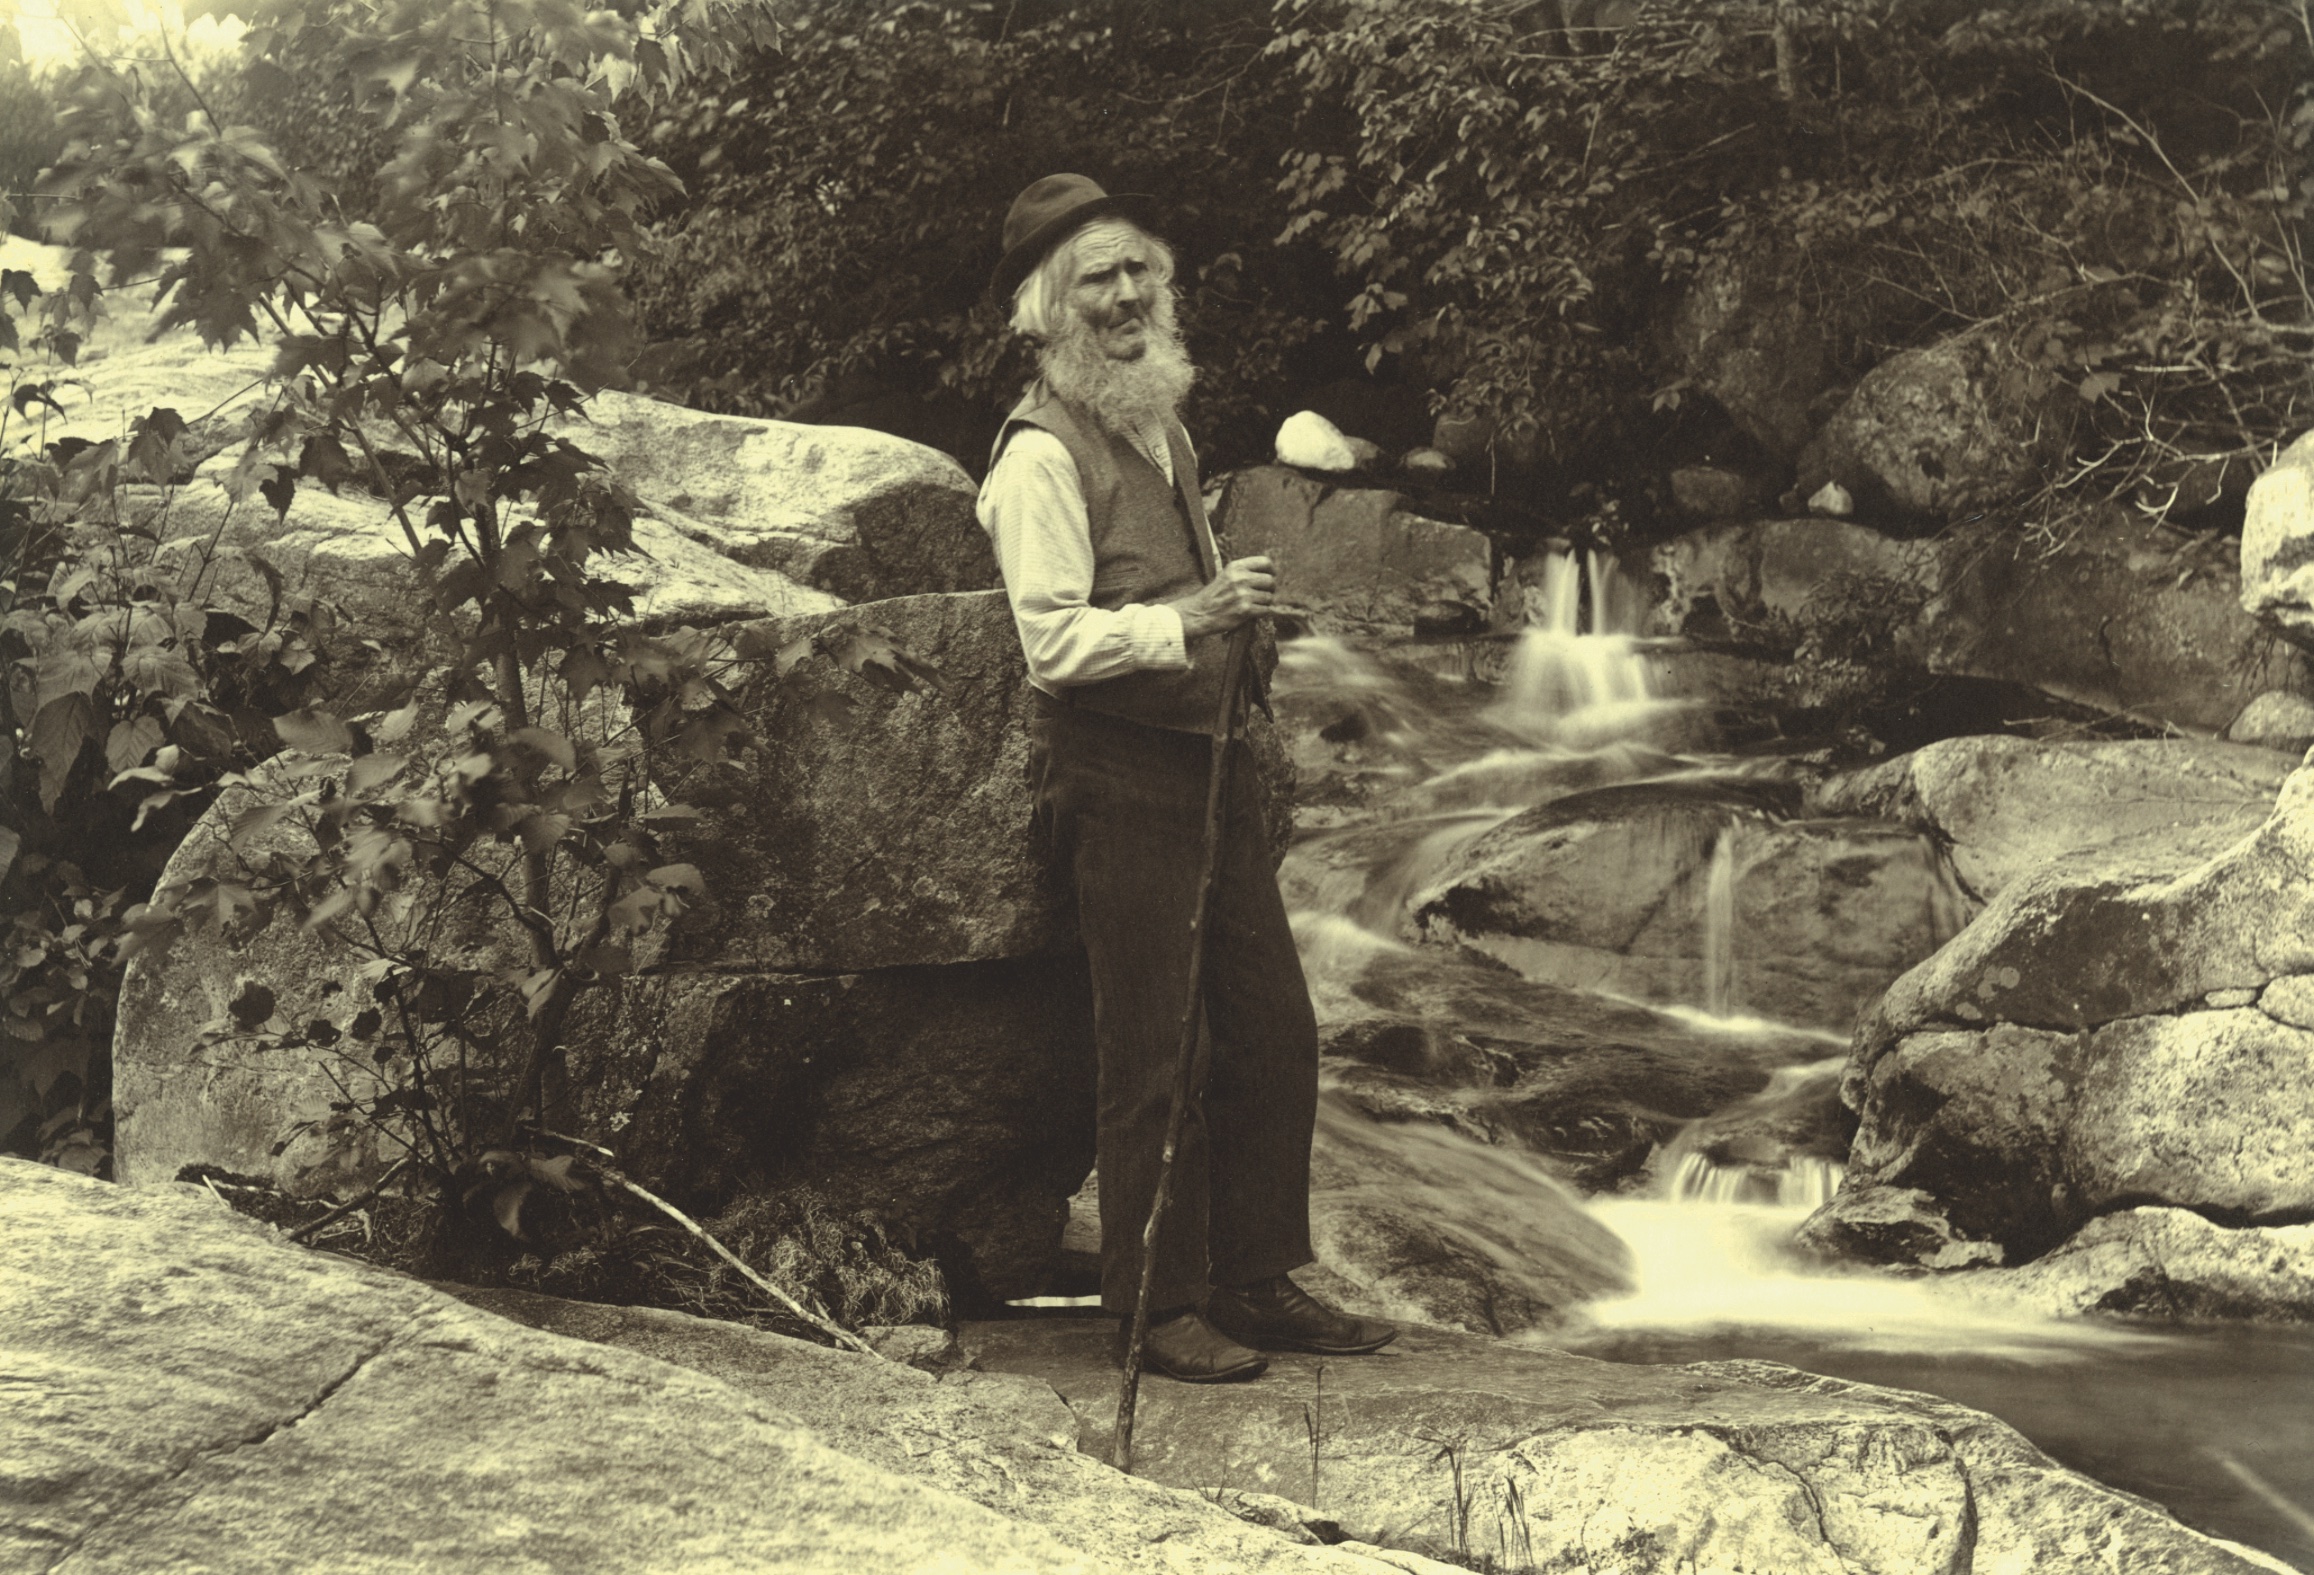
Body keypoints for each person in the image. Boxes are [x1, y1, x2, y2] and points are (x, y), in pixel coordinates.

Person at [976, 173, 1396, 1383]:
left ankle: (1257, 1280)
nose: (1123, 296)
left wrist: (1240, 627)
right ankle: (1154, 1309)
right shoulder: (1035, 461)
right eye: (1093, 279)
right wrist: (1197, 617)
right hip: (1115, 775)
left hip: (1210, 771)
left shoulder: (1160, 422)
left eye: (1135, 272)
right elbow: (1051, 644)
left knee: (1272, 1031)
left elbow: (1167, 587)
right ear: (1045, 313)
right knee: (1156, 1050)